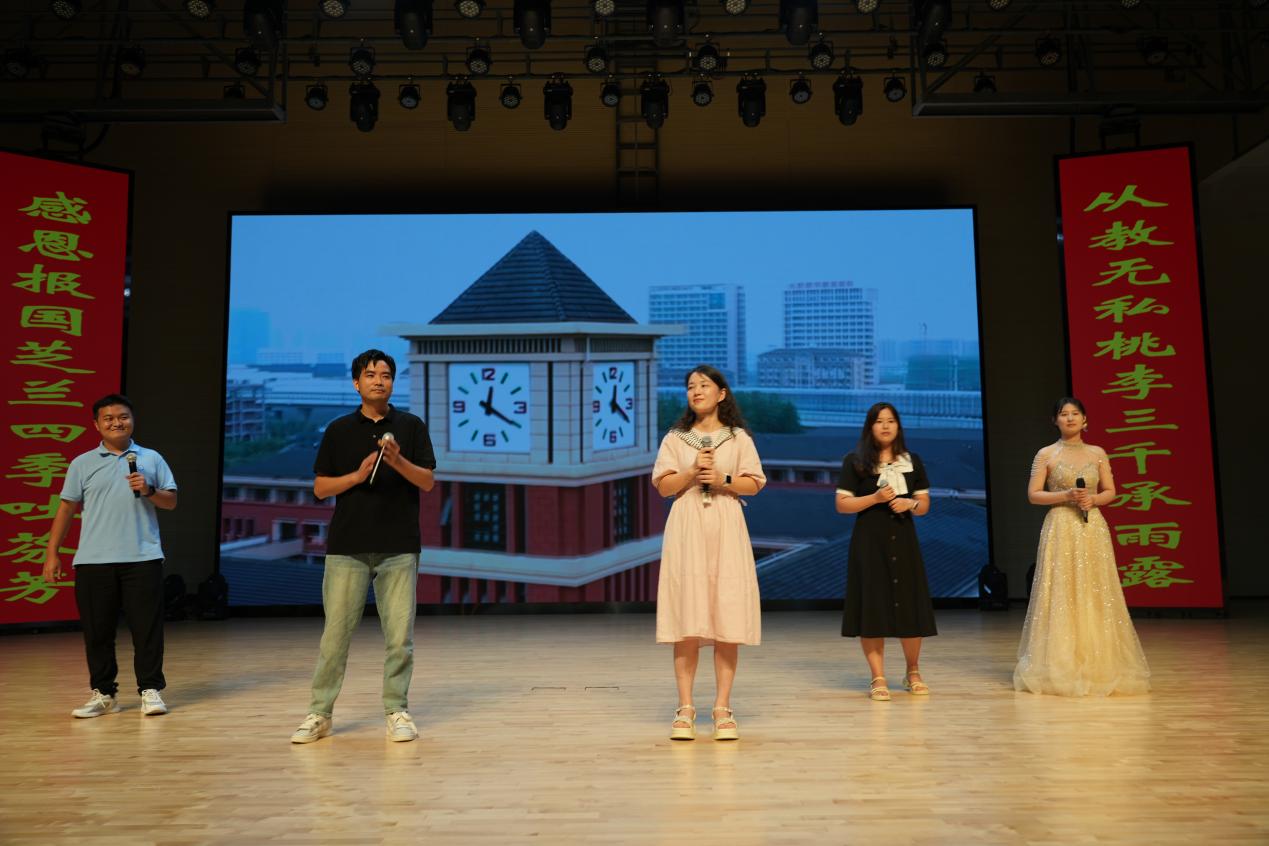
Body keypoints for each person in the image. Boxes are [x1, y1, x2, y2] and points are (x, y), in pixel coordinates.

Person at [291, 349, 437, 744]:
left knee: (399, 639)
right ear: (356, 383)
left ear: (393, 383)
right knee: (335, 638)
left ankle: (397, 710)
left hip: (399, 546)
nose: (379, 381)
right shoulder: (339, 430)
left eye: (386, 375)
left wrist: (397, 460)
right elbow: (321, 488)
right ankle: (320, 714)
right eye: (371, 375)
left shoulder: (411, 426)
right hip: (348, 546)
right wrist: (356, 476)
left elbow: (427, 482)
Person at [43, 394, 178, 718]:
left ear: (132, 420)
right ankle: (104, 694)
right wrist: (52, 553)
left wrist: (148, 489)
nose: (117, 423)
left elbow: (171, 502)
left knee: (147, 630)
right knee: (97, 632)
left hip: (142, 557)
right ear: (96, 425)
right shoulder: (82, 463)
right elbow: (66, 508)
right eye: (109, 418)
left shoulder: (151, 458)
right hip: (93, 560)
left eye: (123, 416)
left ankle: (150, 690)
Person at [652, 365, 765, 741]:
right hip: (687, 526)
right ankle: (685, 707)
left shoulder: (738, 438)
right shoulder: (675, 438)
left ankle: (722, 708)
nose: (696, 391)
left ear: (722, 393)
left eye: (704, 385)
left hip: (726, 525)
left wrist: (722, 480)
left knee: (726, 615)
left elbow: (754, 483)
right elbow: (664, 486)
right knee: (687, 615)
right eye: (690, 386)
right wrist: (690, 472)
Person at [1014, 397, 1150, 697]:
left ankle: (1098, 663)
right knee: (1061, 592)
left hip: (1091, 527)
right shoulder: (1046, 454)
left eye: (1075, 413)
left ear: (1085, 420)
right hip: (1061, 526)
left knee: (1095, 589)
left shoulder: (1098, 453)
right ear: (1055, 421)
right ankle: (1060, 663)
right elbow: (1034, 495)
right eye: (1063, 414)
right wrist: (1065, 495)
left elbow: (1111, 491)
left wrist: (1093, 499)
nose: (1070, 418)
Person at [835, 402, 936, 701]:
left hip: (904, 540)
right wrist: (875, 498)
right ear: (870, 427)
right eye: (879, 421)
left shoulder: (912, 461)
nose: (886, 426)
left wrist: (910, 503)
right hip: (869, 542)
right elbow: (842, 505)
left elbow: (924, 505)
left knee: (910, 606)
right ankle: (877, 676)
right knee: (872, 606)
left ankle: (913, 671)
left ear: (898, 426)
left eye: (891, 421)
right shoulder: (855, 461)